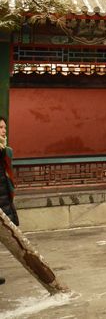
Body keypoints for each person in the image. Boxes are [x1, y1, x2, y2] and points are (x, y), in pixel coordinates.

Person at [0, 116, 19, 286]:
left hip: (4, 197)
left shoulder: (5, 150)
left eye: (4, 127)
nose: (4, 131)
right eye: (0, 127)